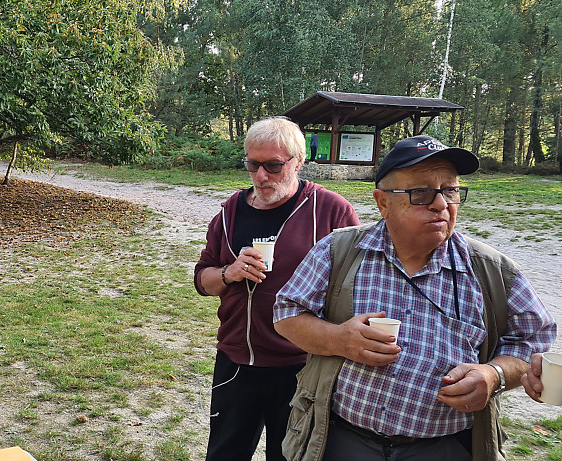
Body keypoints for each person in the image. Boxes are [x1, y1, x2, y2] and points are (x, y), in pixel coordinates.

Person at [273, 135, 557, 461]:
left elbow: (533, 341)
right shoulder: (338, 251)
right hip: (342, 439)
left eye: (450, 190)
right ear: (383, 203)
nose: (441, 204)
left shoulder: (494, 271)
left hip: (445, 447)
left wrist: (495, 375)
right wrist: (339, 340)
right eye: (421, 193)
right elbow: (286, 312)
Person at [193, 116, 360, 461]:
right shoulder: (229, 212)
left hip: (302, 366)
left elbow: (356, 286)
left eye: (272, 165)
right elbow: (202, 281)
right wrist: (229, 272)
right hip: (237, 361)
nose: (260, 176)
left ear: (298, 162)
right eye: (252, 165)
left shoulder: (331, 210)